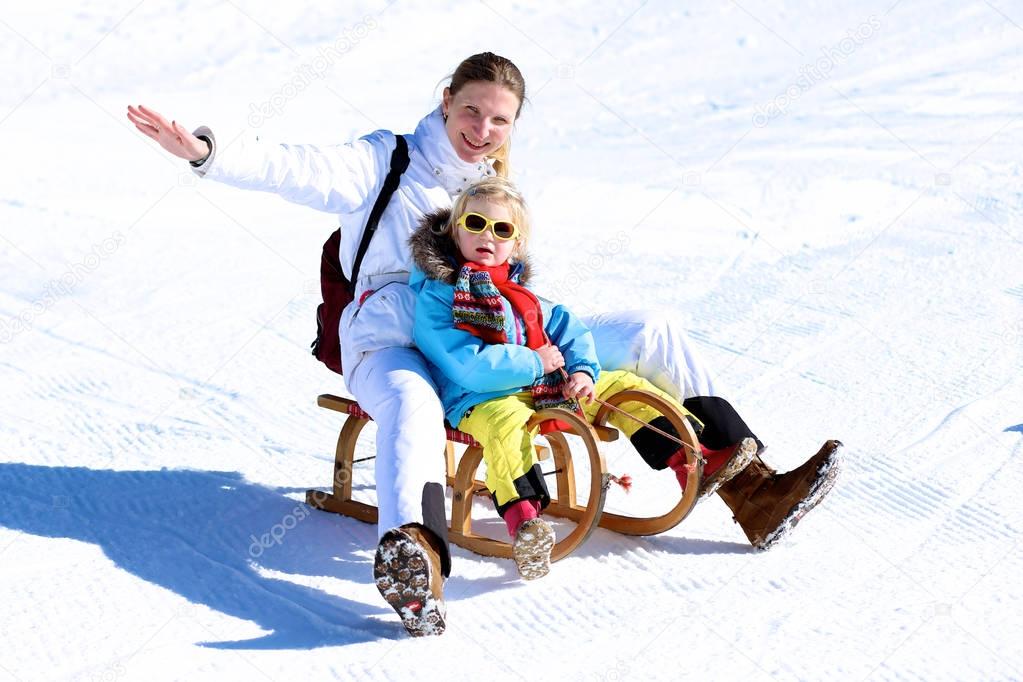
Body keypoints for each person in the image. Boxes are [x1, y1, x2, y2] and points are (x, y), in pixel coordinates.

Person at [125, 51, 840, 638]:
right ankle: (417, 558)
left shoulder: (493, 190)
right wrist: (203, 152)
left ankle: (750, 490)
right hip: (391, 335)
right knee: (409, 403)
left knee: (652, 330)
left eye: (499, 119)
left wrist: (565, 353)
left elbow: (519, 289)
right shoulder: (388, 162)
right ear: (445, 101)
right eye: (470, 110)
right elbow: (296, 167)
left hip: (492, 344)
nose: (481, 128)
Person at [410, 177, 759, 581]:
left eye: (501, 229)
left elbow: (570, 329)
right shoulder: (438, 297)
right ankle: (525, 523)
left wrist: (581, 371)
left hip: (542, 386)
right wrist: (534, 362)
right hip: (480, 398)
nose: (487, 236)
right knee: (505, 428)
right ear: (455, 230)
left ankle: (691, 461)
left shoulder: (518, 292)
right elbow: (467, 365)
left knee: (626, 388)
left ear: (516, 242)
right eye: (475, 223)